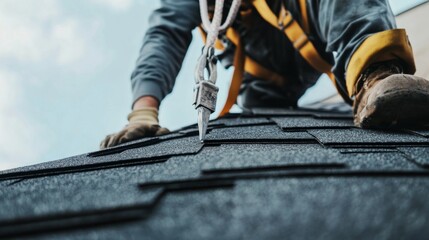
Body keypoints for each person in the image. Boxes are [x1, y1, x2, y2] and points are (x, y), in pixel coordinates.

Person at [100, 0, 429, 149]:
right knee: (259, 123)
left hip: (315, 22)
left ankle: (377, 75)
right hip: (264, 74)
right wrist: (143, 111)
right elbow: (164, 35)